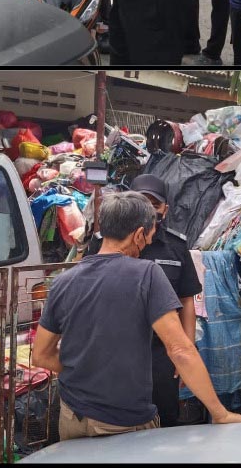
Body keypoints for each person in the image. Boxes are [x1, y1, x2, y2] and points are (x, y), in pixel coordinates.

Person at [31, 192, 241, 439]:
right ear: (138, 234)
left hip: (72, 418)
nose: (147, 244)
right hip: (122, 424)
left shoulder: (63, 281)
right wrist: (220, 414)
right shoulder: (147, 275)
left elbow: (40, 355)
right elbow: (180, 350)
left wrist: (83, 369)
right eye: (148, 236)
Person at [82, 176, 202, 427]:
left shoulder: (176, 247)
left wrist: (186, 349)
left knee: (165, 416)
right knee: (117, 419)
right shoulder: (104, 243)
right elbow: (86, 289)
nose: (148, 211)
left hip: (161, 350)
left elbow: (187, 300)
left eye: (154, 205)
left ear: (165, 210)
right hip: (114, 348)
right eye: (141, 202)